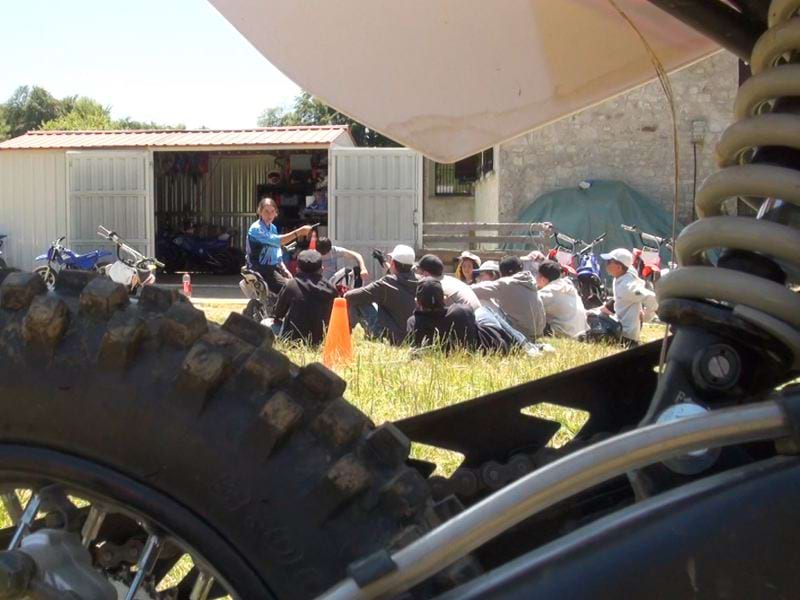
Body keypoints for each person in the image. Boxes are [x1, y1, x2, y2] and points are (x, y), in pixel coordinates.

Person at [407, 279, 510, 354]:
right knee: (483, 310)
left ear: (417, 302)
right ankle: (523, 343)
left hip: (490, 348)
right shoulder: (461, 311)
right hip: (496, 343)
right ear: (444, 299)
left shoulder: (413, 323)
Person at [344, 244, 418, 345]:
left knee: (358, 300)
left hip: (390, 337)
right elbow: (398, 275)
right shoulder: (418, 281)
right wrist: (383, 261)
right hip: (412, 336)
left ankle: (343, 333)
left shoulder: (386, 284)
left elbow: (350, 296)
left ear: (393, 263)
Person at [246, 197, 313, 294]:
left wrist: (284, 268)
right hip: (260, 269)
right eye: (266, 211)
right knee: (289, 290)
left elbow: (275, 251)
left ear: (276, 213)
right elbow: (278, 241)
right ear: (259, 212)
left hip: (271, 268)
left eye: (272, 211)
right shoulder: (256, 229)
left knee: (294, 284)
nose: (270, 215)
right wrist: (299, 232)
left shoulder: (272, 228)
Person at [471, 255, 546, 341]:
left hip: (521, 335)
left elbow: (473, 290)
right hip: (537, 333)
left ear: (502, 272)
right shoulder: (529, 281)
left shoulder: (507, 283)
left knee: (483, 302)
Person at [273, 250, 337, 345]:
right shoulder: (331, 289)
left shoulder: (291, 285)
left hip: (293, 340)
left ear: (297, 269)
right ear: (322, 269)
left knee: (266, 323)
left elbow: (278, 313)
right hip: (322, 340)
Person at [599, 248, 658, 345]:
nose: (606, 264)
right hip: (621, 327)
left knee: (595, 321)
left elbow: (652, 298)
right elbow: (629, 266)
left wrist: (646, 316)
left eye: (609, 261)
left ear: (619, 267)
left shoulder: (627, 287)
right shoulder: (623, 274)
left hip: (626, 336)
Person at [535, 260, 587, 338]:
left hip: (564, 336)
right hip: (580, 334)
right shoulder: (568, 286)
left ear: (543, 279)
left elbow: (528, 307)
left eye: (537, 275)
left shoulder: (548, 292)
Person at [415, 254, 482, 310]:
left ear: (426, 273)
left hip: (471, 321)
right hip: (476, 318)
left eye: (419, 272)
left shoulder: (437, 288)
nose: (419, 277)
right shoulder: (450, 280)